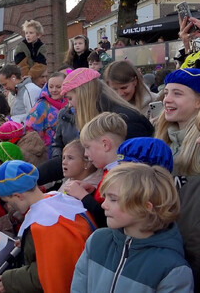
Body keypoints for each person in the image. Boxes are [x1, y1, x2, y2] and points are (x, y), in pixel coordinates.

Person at [71, 163, 193, 292]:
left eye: (113, 199)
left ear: (145, 207)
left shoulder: (172, 268)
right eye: (105, 197)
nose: (104, 205)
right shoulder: (97, 241)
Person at [0, 160, 95, 293]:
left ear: (18, 195)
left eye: (8, 201)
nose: (9, 206)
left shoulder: (43, 225)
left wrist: (10, 280)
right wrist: (26, 243)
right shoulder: (61, 200)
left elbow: (47, 272)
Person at [153, 68, 200, 285]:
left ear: (198, 102)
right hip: (168, 249)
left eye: (177, 94)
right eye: (167, 92)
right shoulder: (162, 142)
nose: (167, 99)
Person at [63, 112, 126, 228]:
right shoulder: (110, 170)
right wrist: (92, 192)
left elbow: (106, 219)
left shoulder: (120, 176)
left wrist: (83, 196)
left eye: (87, 147)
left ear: (105, 145)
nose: (86, 154)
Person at [60, 68, 154, 139]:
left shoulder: (125, 120)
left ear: (83, 95)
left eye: (70, 98)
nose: (70, 105)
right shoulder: (109, 113)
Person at [24, 72, 67, 152]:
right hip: (48, 152)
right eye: (51, 87)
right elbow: (30, 130)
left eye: (58, 87)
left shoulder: (72, 103)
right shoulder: (41, 106)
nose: (54, 90)